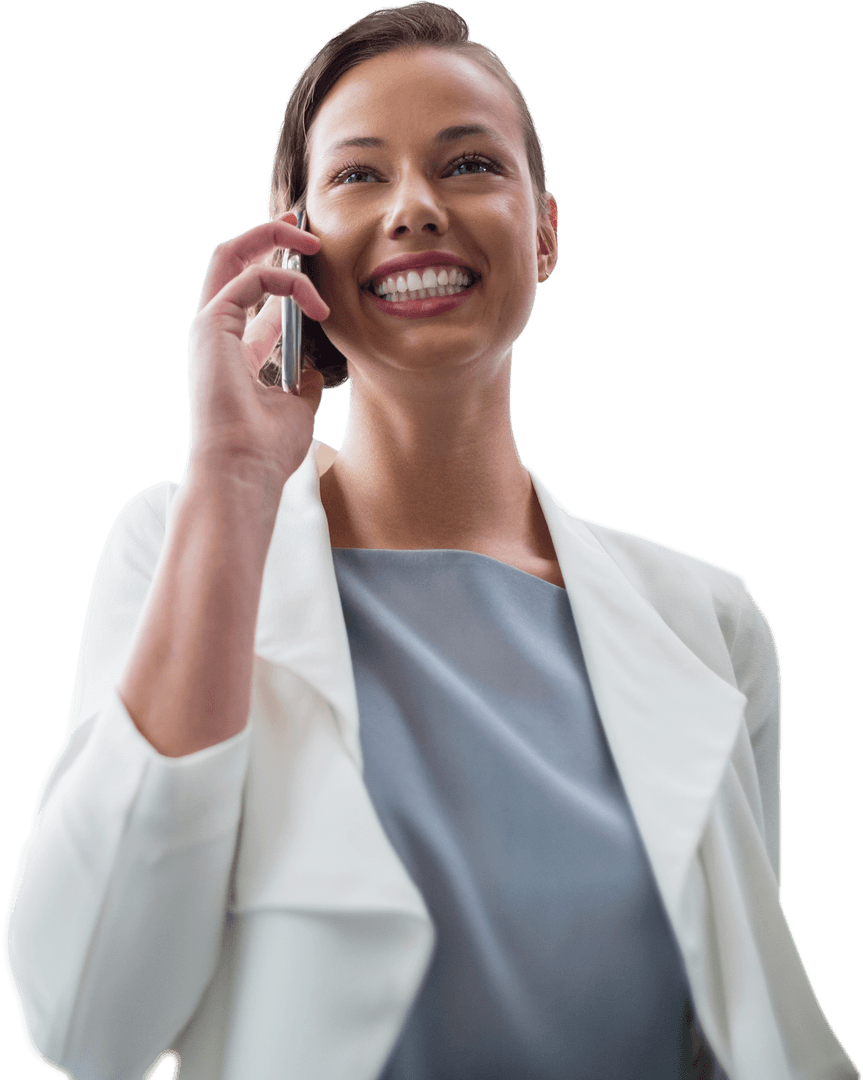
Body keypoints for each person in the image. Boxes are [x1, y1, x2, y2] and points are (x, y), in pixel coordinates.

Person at [3, 3, 859, 1079]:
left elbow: (730, 1024)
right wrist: (228, 475)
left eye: (466, 164)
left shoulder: (708, 621)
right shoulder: (185, 548)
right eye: (359, 176)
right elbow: (85, 1027)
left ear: (543, 230)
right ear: (291, 243)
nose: (415, 208)